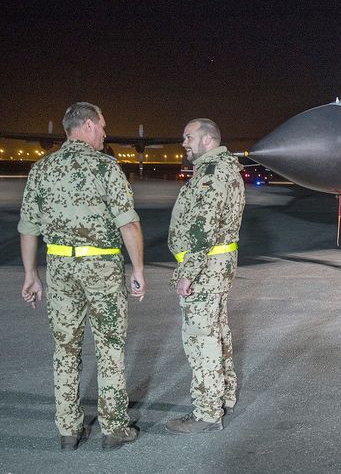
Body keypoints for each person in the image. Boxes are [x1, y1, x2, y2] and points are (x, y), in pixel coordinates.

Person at [19, 102, 145, 451]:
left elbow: (28, 228)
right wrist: (137, 270)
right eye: (102, 126)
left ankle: (68, 430)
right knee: (110, 348)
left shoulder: (41, 169)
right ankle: (114, 428)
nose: (105, 132)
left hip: (60, 271)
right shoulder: (106, 167)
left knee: (65, 350)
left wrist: (31, 274)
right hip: (102, 271)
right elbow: (128, 223)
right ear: (87, 126)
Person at [165, 118, 245, 434]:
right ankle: (224, 396)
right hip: (216, 265)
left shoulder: (213, 175)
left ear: (208, 139)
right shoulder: (224, 169)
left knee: (201, 338)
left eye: (189, 137)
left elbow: (203, 229)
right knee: (217, 331)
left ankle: (207, 413)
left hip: (205, 268)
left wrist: (186, 274)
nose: (184, 143)